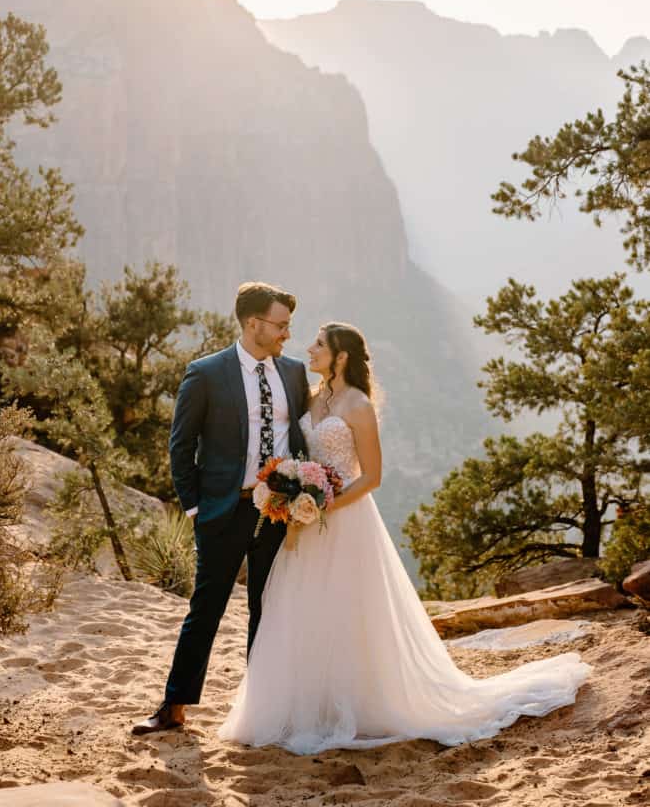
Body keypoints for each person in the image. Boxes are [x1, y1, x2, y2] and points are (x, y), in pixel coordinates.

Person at [218, 321, 592, 754]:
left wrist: (324, 505)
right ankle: (309, 704)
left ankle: (357, 703)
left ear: (341, 356)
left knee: (348, 611)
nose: (311, 348)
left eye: (320, 344)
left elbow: (372, 477)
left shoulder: (358, 405)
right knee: (302, 608)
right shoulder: (312, 396)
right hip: (305, 523)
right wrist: (292, 490)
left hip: (345, 519)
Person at [132, 281, 309, 735]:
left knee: (268, 610)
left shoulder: (293, 373)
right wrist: (194, 509)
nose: (287, 333)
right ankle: (173, 707)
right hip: (224, 510)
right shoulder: (207, 372)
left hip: (278, 512)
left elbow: (301, 439)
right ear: (253, 324)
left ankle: (263, 711)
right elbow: (181, 445)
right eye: (280, 325)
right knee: (205, 609)